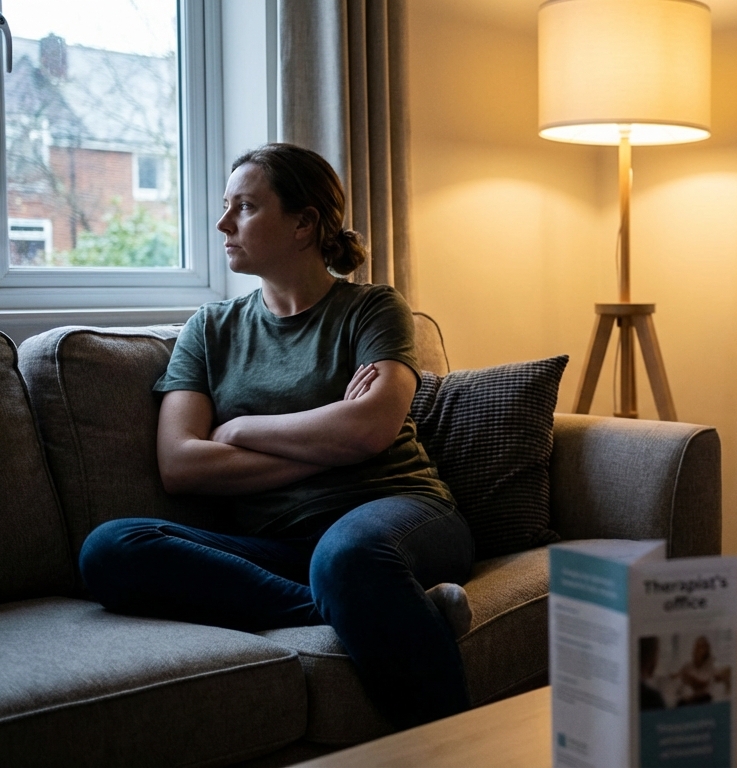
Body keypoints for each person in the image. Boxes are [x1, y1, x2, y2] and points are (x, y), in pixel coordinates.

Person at [78, 143, 475, 729]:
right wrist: (332, 442)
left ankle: (452, 747)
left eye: (244, 207)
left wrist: (241, 429)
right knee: (112, 548)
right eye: (226, 206)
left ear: (303, 224)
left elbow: (371, 427)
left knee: (349, 556)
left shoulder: (372, 309)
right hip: (280, 548)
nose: (223, 223)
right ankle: (378, 609)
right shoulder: (209, 329)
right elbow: (181, 463)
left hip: (397, 512)